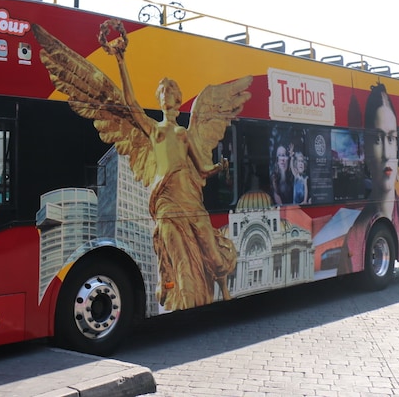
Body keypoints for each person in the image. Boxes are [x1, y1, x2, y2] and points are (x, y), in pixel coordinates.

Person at [34, 19, 252, 311]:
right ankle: (184, 298)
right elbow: (130, 105)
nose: (165, 100)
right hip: (165, 204)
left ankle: (223, 288)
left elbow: (201, 167)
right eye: (161, 96)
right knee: (181, 262)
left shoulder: (184, 134)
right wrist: (121, 60)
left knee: (212, 255)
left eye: (168, 95)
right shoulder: (154, 130)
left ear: (175, 99)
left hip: (191, 201)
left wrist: (219, 167)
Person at [339, 83, 399, 274]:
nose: (386, 154)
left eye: (391, 138)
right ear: (364, 149)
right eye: (377, 139)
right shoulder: (354, 235)